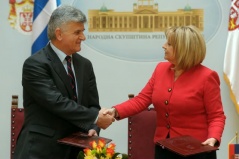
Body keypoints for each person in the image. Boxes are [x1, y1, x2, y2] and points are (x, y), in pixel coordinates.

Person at [104, 25, 226, 159]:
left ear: (183, 49)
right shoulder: (160, 69)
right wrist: (115, 111)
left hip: (197, 150)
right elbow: (142, 99)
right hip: (164, 149)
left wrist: (213, 137)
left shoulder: (207, 77)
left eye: (169, 44)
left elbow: (216, 116)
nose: (163, 46)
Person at [14, 5, 114, 159]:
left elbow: (92, 104)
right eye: (77, 32)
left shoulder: (85, 65)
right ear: (59, 34)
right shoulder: (35, 64)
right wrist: (95, 118)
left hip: (75, 151)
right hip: (40, 151)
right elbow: (57, 102)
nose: (83, 37)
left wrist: (94, 127)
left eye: (83, 31)